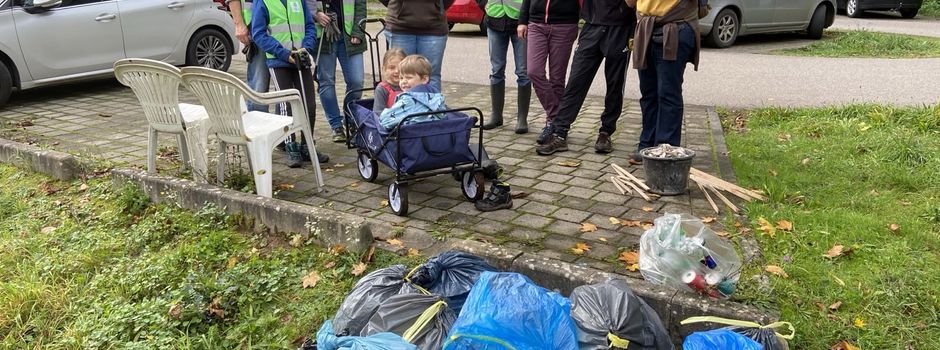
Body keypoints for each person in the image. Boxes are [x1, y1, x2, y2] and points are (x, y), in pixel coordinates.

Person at [535, 0, 636, 156]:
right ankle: (560, 133)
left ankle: (606, 133)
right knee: (576, 81)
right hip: (591, 26)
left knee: (615, 84)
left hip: (620, 28)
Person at [252, 0, 329, 167]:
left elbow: (309, 26)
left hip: (301, 58)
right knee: (286, 104)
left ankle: (307, 144)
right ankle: (291, 146)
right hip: (279, 60)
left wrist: (306, 48)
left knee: (309, 105)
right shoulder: (263, 2)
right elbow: (259, 34)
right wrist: (284, 53)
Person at [627, 0, 702, 165]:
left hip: (675, 27)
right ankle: (647, 146)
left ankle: (666, 150)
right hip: (646, 28)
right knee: (648, 94)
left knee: (668, 93)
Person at [517, 0, 580, 144]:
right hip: (536, 24)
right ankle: (556, 116)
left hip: (565, 25)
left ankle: (552, 124)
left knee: (557, 79)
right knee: (534, 71)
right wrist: (522, 20)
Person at [309, 0, 366, 143]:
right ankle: (336, 125)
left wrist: (358, 31)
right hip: (322, 35)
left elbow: (360, 4)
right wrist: (315, 14)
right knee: (326, 81)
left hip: (349, 36)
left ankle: (351, 119)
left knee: (356, 81)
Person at [478, 0, 531, 134]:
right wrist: (483, 4)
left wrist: (526, 17)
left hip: (520, 21)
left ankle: (522, 118)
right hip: (494, 20)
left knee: (523, 72)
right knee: (496, 70)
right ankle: (496, 116)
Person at [378, 0, 454, 91]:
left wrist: (437, 6)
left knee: (431, 75)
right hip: (400, 26)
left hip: (434, 27)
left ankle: (432, 104)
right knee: (400, 73)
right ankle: (401, 104)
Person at [378, 55, 446, 130]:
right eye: (401, 78)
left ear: (424, 79)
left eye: (409, 77)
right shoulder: (437, 96)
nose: (403, 81)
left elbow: (384, 121)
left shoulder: (408, 99)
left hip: (411, 136)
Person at [227, 0, 271, 112]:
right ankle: (257, 126)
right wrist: (239, 24)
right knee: (258, 84)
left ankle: (287, 126)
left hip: (286, 31)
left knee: (288, 88)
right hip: (258, 30)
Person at [372, 48, 407, 116]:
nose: (397, 71)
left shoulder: (410, 86)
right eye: (392, 68)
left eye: (400, 68)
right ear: (383, 69)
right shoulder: (382, 89)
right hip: (389, 123)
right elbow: (378, 113)